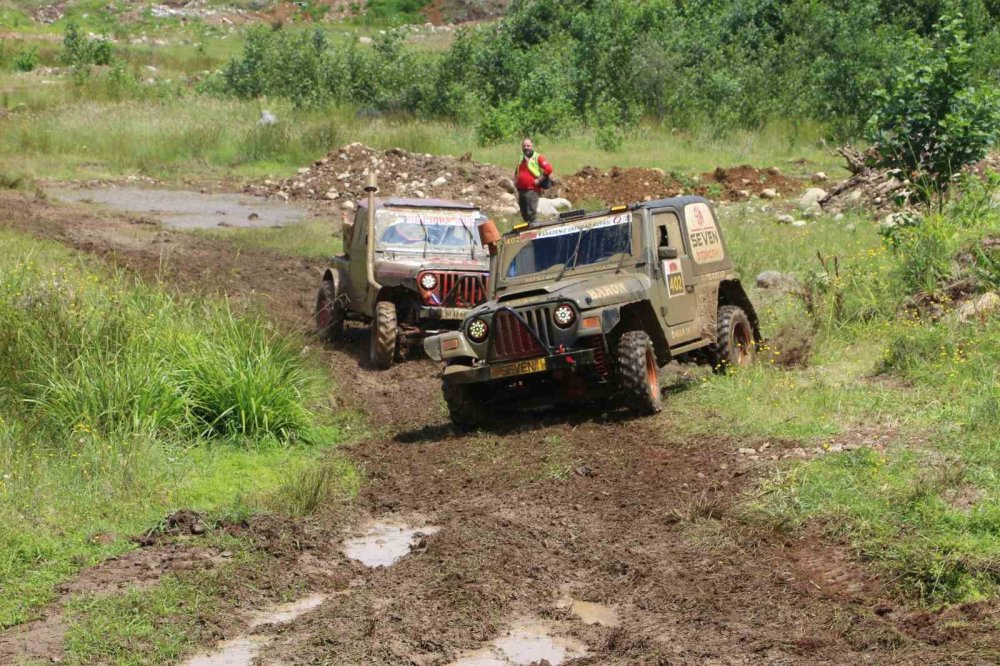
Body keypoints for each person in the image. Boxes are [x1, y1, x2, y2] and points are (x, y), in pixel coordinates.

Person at [514, 137, 554, 223]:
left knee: (531, 215)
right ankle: (529, 234)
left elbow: (549, 169)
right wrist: (516, 182)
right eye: (524, 146)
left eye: (528, 146)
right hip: (521, 191)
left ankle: (536, 232)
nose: (526, 147)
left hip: (532, 190)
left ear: (532, 146)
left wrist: (539, 180)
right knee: (524, 215)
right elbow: (517, 171)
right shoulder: (521, 158)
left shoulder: (537, 157)